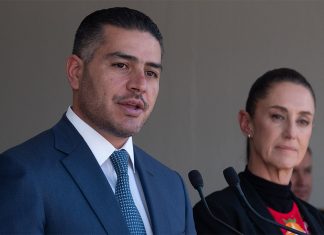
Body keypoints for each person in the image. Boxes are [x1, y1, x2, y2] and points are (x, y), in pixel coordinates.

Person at [0, 7, 195, 234]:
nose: (140, 84)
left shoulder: (172, 186)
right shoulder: (23, 173)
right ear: (75, 72)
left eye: (151, 72)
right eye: (121, 65)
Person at [193, 68, 324, 234]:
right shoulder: (216, 214)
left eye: (303, 121)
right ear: (246, 123)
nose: (291, 133)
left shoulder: (318, 220)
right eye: (277, 116)